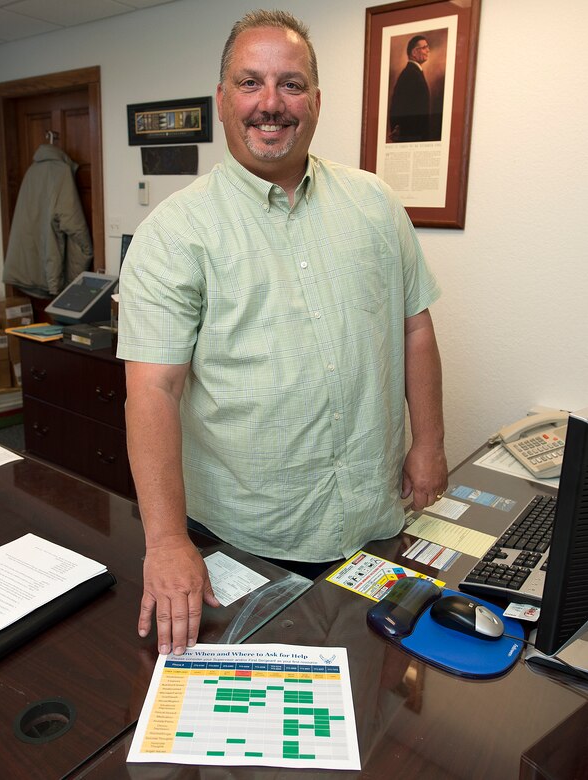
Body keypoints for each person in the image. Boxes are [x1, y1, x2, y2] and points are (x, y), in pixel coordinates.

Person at [117, 10, 448, 656]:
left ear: (316, 102)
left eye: (290, 85)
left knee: (372, 708)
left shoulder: (374, 203)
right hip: (246, 544)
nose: (270, 104)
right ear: (221, 99)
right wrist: (164, 542)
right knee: (266, 742)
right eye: (250, 83)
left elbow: (414, 327)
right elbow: (151, 394)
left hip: (374, 523)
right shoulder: (174, 234)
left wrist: (428, 442)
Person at [389, 35, 432, 142]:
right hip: (413, 137)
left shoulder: (412, 73)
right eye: (424, 47)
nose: (428, 50)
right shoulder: (411, 74)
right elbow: (400, 107)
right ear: (414, 53)